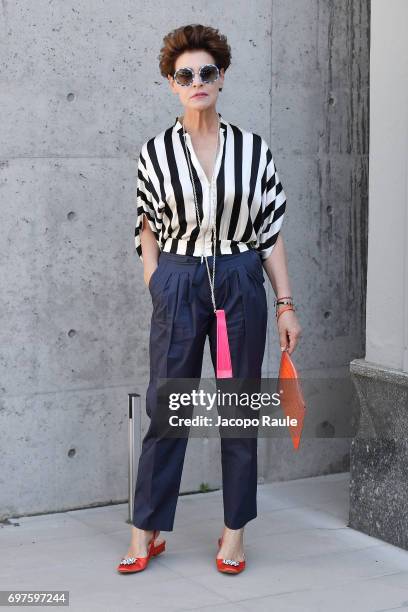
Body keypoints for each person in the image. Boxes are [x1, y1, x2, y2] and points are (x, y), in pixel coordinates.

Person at [117, 23, 302, 575]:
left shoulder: (252, 150)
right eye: (185, 75)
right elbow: (146, 225)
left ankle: (234, 530)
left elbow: (270, 231)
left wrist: (286, 303)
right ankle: (145, 526)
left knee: (239, 409)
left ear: (221, 78)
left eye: (207, 72)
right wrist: (157, 281)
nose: (197, 81)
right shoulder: (155, 152)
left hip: (240, 279)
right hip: (178, 281)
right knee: (166, 406)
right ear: (171, 84)